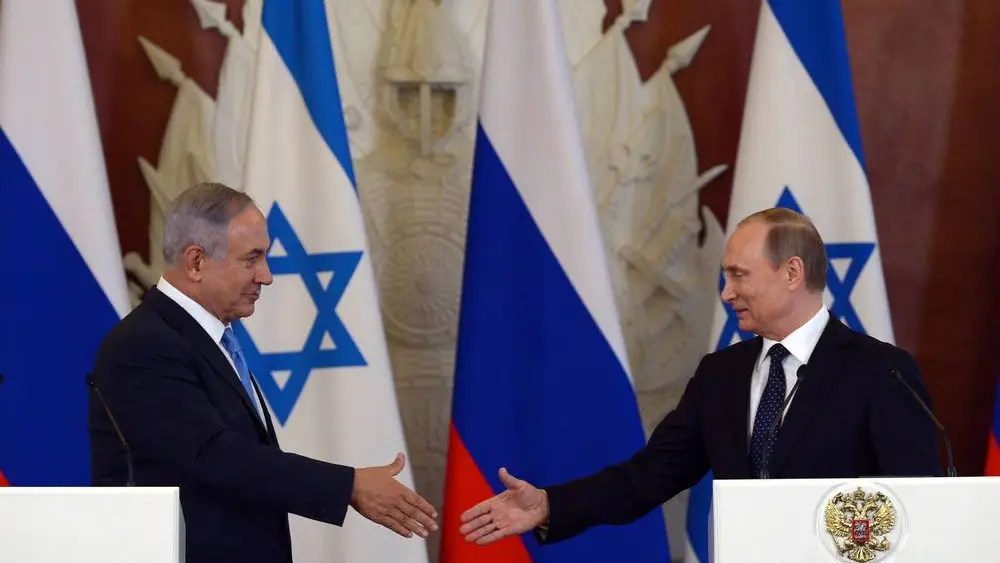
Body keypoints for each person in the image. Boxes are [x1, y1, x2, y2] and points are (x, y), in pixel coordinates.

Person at [457, 207, 942, 546]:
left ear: (792, 272)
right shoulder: (722, 374)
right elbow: (650, 476)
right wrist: (549, 504)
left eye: (739, 275)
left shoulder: (883, 372)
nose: (726, 292)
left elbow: (917, 506)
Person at [89, 183, 437, 563]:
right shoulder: (143, 345)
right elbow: (212, 455)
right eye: (251, 259)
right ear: (196, 262)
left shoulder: (210, 338)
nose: (266, 276)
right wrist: (348, 486)